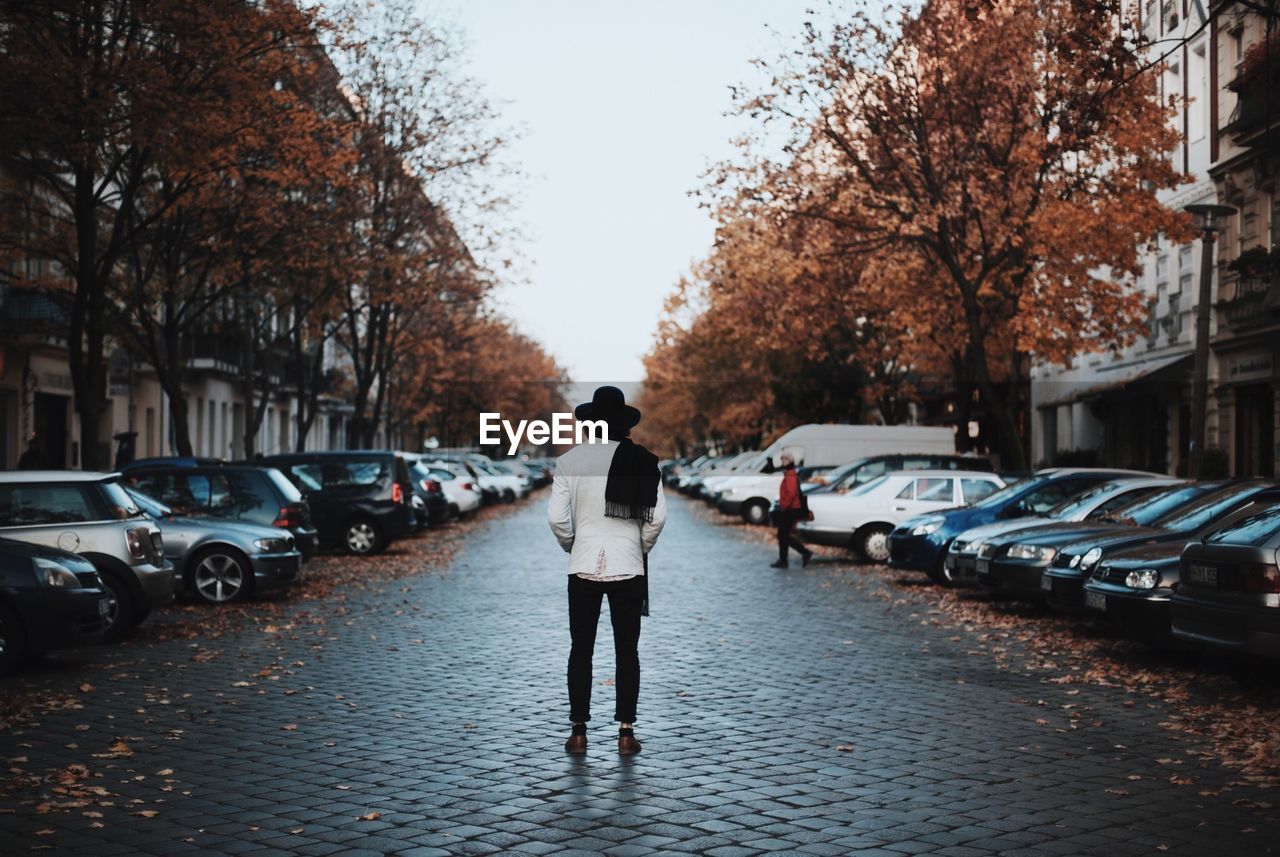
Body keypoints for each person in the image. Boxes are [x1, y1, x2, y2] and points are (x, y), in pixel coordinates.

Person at [548, 386, 666, 755]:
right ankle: (626, 733)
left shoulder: (570, 462)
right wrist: (640, 545)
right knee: (626, 650)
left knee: (580, 649)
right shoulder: (643, 461)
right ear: (623, 425)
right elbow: (657, 517)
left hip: (582, 566)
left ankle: (578, 731)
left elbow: (556, 518)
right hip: (628, 566)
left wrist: (573, 545)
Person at [771, 452, 813, 569]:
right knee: (783, 535)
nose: (783, 461)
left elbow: (791, 493)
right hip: (790, 508)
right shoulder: (788, 473)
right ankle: (787, 559)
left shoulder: (790, 474)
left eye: (785, 459)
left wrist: (784, 506)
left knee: (782, 535)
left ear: (790, 461)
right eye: (782, 459)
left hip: (791, 509)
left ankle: (802, 553)